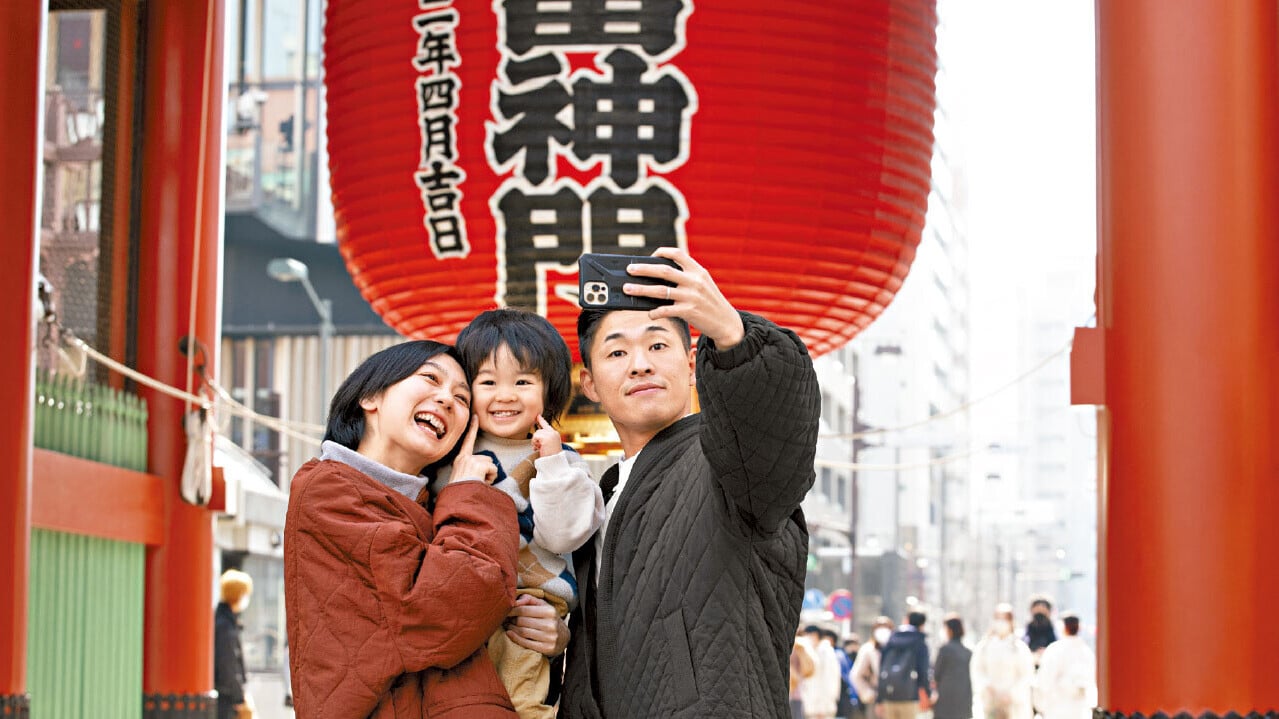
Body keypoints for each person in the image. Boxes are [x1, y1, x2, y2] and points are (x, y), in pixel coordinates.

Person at [558, 247, 821, 718]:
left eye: (658, 346)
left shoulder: (727, 464)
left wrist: (732, 333)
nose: (640, 364)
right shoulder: (596, 502)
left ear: (692, 361)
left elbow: (774, 435)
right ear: (590, 383)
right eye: (616, 352)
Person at [284, 340, 566, 718]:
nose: (447, 400)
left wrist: (553, 635)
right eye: (430, 378)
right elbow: (440, 611)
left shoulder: (428, 504)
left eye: (462, 399)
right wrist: (469, 492)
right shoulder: (330, 489)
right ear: (371, 396)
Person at [436, 308, 605, 719]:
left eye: (523, 381)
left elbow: (564, 536)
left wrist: (550, 463)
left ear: (549, 391)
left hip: (532, 602)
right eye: (488, 382)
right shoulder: (445, 456)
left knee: (521, 699)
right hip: (462, 604)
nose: (505, 395)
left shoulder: (563, 461)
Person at [971, 604, 1035, 719]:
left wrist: (1012, 694)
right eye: (998, 619)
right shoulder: (984, 647)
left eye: (1004, 619)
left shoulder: (1019, 648)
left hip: (1014, 706)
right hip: (990, 704)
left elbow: (1027, 675)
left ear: (1011, 621)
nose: (1001, 623)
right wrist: (987, 686)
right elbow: (977, 670)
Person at [1032, 613, 1096, 719]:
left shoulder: (1055, 649)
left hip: (1058, 706)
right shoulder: (1086, 652)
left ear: (1063, 627)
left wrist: (1040, 704)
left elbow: (1044, 679)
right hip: (1077, 708)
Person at [877, 610, 932, 719]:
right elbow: (923, 671)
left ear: (907, 620)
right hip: (910, 696)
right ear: (922, 624)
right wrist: (927, 693)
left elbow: (882, 668)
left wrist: (879, 698)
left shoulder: (891, 639)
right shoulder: (920, 642)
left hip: (889, 694)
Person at [214, 569, 253, 719]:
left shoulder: (223, 619)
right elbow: (228, 663)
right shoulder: (226, 625)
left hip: (224, 695)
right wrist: (239, 697)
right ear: (238, 595)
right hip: (227, 699)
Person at [932, 613, 973, 719]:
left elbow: (936, 675)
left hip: (945, 700)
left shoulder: (944, 650)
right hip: (964, 699)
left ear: (949, 630)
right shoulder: (968, 652)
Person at [851, 616, 895, 713]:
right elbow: (856, 675)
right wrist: (868, 693)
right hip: (875, 697)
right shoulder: (868, 649)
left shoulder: (896, 648)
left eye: (886, 627)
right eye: (879, 627)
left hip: (895, 698)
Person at [799, 625, 840, 719]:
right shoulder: (807, 650)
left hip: (823, 708)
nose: (809, 637)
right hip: (810, 706)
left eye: (812, 634)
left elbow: (829, 679)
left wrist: (822, 707)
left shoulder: (826, 652)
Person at [1023, 596, 1057, 664]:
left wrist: (1046, 651)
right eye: (1037, 608)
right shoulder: (1029, 627)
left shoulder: (1051, 628)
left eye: (1043, 608)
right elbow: (1025, 642)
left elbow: (1055, 645)